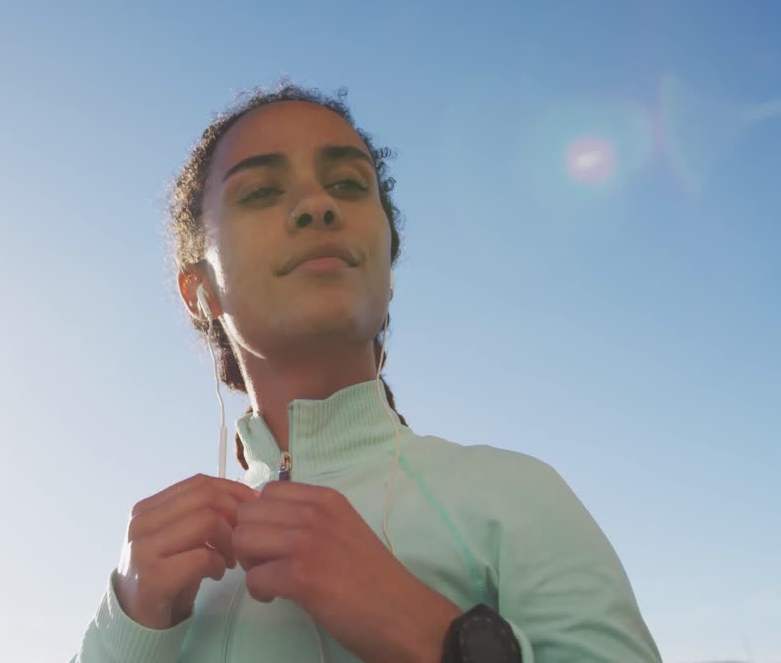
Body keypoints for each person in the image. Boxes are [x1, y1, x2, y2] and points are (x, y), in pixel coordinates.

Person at [72, 82, 662, 662]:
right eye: (260, 191)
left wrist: (436, 637)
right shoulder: (159, 579)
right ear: (199, 292)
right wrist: (123, 633)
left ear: (387, 264)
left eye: (350, 185)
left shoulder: (515, 496)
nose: (317, 205)